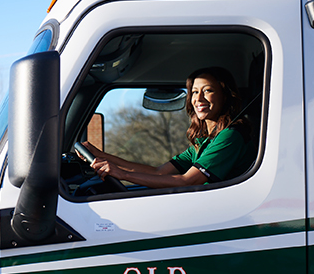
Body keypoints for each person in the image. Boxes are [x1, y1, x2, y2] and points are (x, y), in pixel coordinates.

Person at [80, 67, 257, 189]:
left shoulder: (231, 136)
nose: (199, 99)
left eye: (208, 90)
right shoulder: (206, 140)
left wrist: (123, 174)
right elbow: (158, 172)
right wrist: (101, 156)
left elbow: (188, 181)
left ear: (225, 96)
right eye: (195, 92)